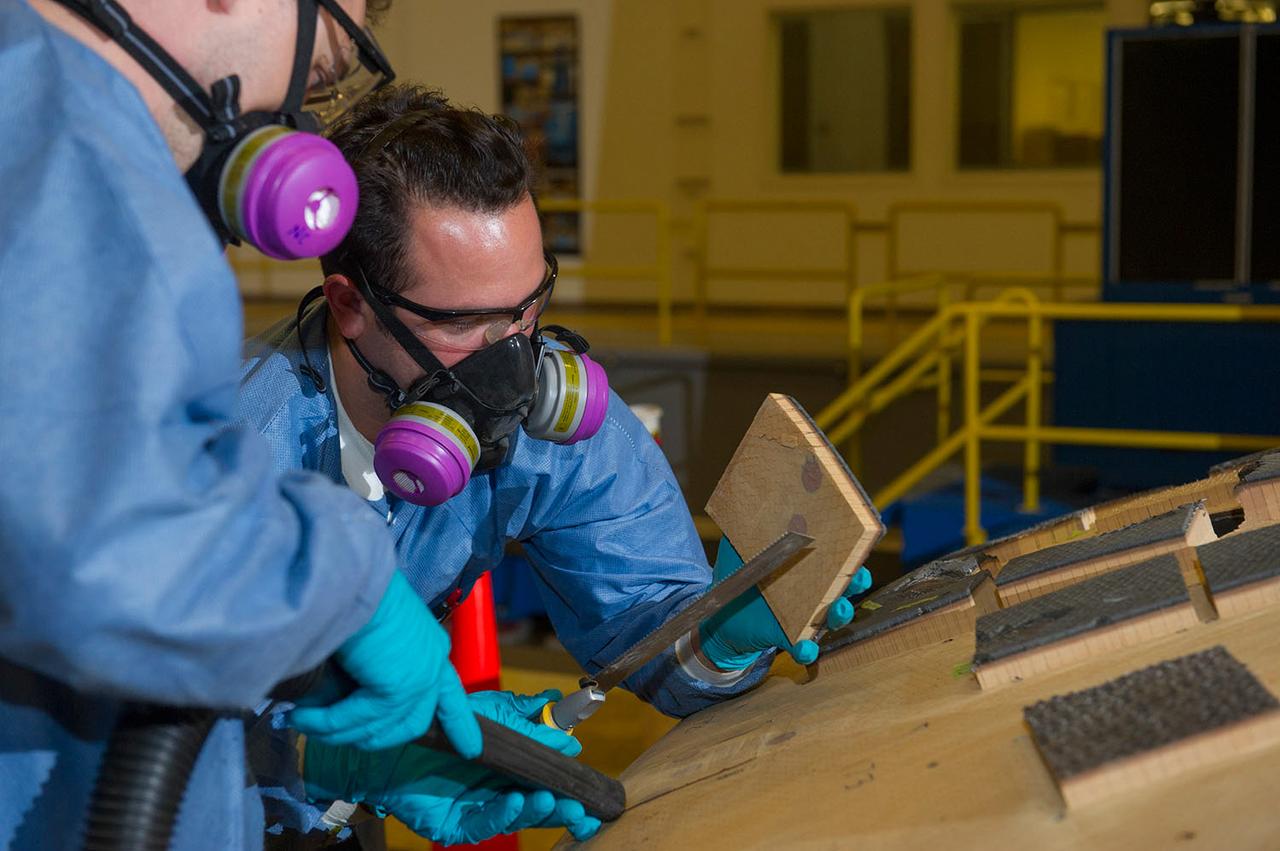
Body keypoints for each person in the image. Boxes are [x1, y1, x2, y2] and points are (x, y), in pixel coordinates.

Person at [0, 3, 582, 849]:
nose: (301, 112)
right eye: (326, 65)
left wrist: (325, 750)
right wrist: (346, 592)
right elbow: (99, 542)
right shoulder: (63, 155)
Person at [238, 83, 871, 843]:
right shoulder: (230, 447)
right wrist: (329, 758)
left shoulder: (549, 430)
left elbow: (649, 631)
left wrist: (723, 629)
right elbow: (114, 718)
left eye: (528, 309)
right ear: (350, 306)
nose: (512, 360)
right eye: (468, 323)